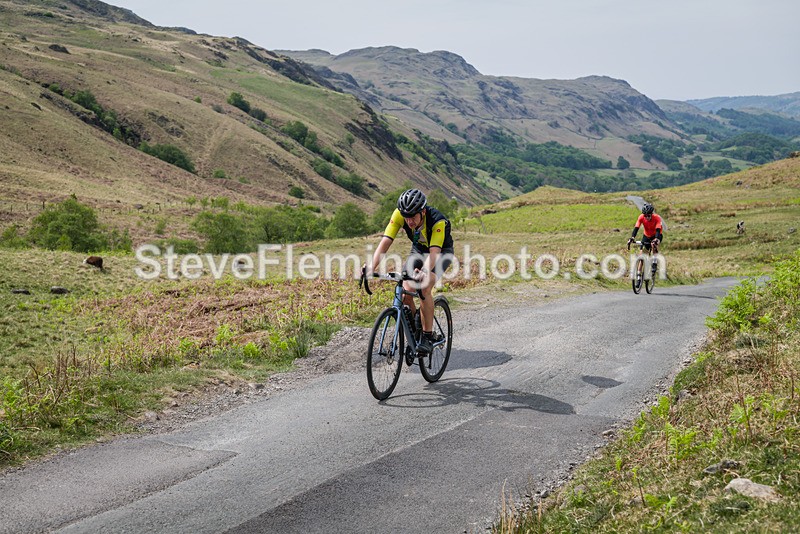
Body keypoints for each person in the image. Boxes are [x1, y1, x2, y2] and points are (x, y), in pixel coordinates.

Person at [366, 188, 454, 354]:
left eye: (413, 217)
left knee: (424, 287)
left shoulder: (437, 221)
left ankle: (427, 336)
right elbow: (385, 242)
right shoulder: (399, 215)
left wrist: (425, 272)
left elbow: (434, 253)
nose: (409, 222)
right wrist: (371, 267)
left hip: (441, 252)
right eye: (406, 218)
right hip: (419, 250)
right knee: (405, 294)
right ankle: (416, 333)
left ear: (423, 212)